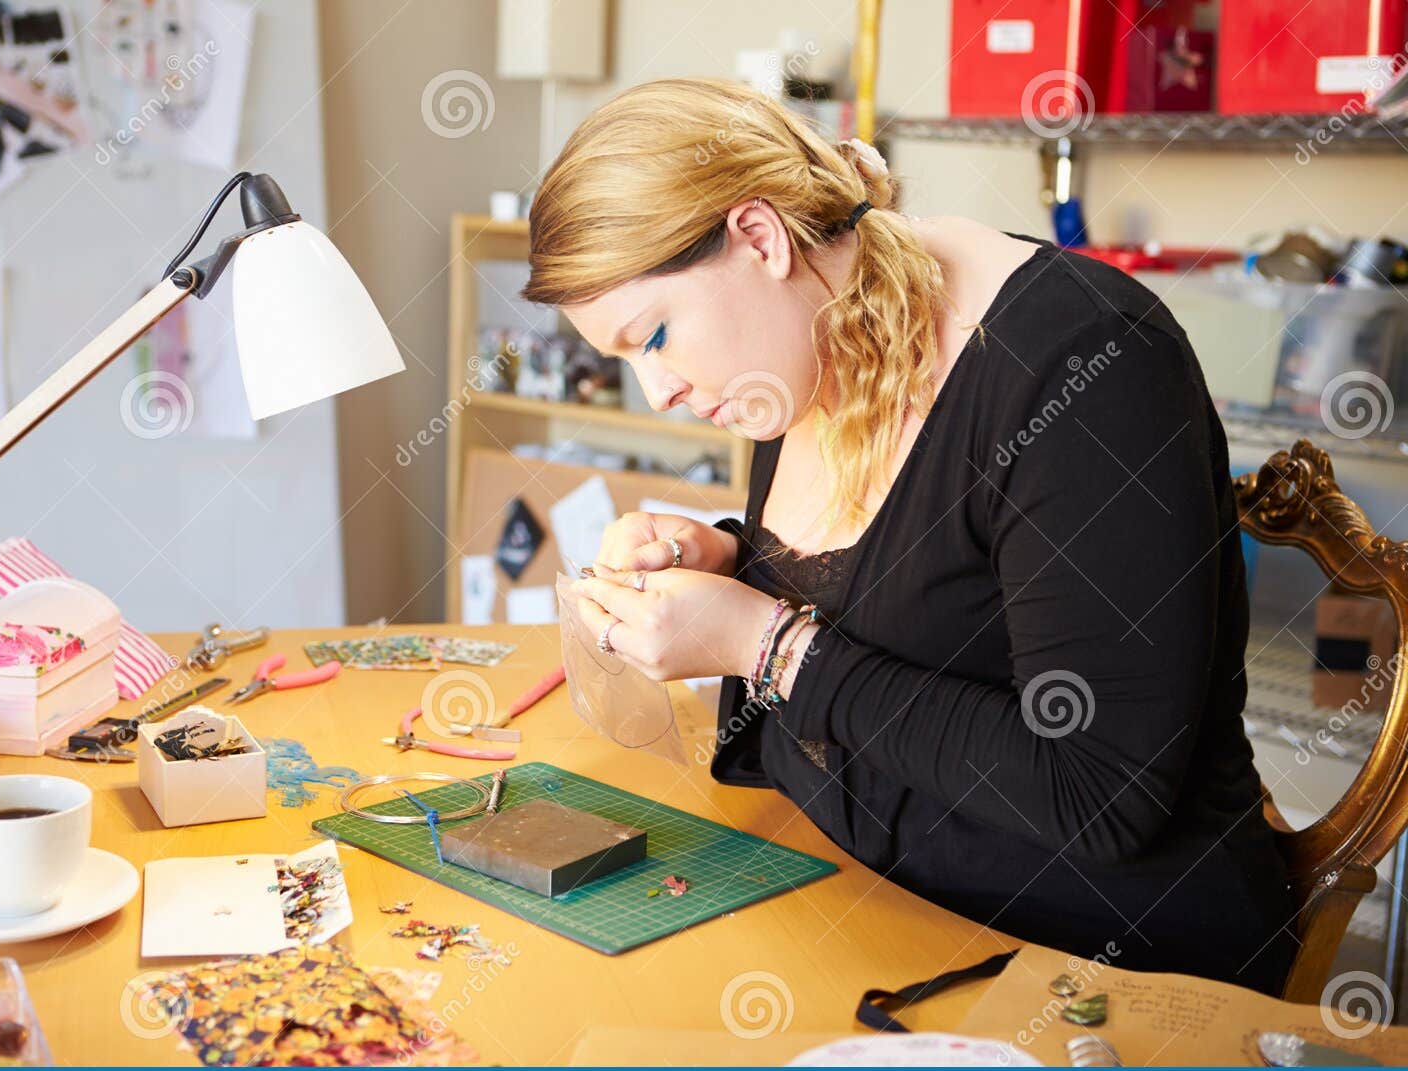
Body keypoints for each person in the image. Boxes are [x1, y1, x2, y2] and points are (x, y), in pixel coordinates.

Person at [521, 78, 1297, 994]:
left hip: (1097, 962)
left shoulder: (1086, 365)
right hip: (865, 892)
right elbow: (935, 588)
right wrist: (728, 558)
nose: (661, 392)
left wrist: (758, 641)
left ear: (759, 238)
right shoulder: (810, 334)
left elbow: (1099, 792)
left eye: (653, 337)